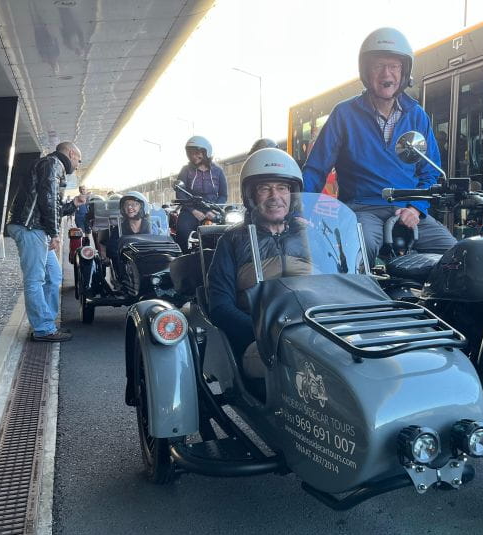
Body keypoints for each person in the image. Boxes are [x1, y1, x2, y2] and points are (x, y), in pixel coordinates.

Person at [302, 27, 456, 263]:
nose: (387, 74)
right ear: (366, 71)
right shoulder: (344, 114)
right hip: (362, 209)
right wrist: (302, 209)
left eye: (394, 66)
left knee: (458, 256)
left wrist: (415, 208)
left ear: (404, 72)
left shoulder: (417, 115)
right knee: (359, 252)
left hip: (407, 207)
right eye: (379, 66)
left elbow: (430, 173)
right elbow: (316, 168)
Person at [207, 148, 311, 378]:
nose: (275, 196)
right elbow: (221, 308)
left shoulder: (311, 236)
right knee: (311, 368)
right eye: (265, 188)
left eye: (282, 188)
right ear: (251, 196)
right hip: (263, 344)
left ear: (292, 194)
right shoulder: (232, 241)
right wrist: (267, 334)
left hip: (316, 333)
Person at [6, 141, 82, 342]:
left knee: (54, 275)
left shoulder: (50, 165)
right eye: (79, 160)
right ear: (71, 153)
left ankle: (46, 321)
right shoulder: (52, 164)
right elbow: (48, 200)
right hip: (31, 228)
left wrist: (74, 204)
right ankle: (43, 329)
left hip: (35, 227)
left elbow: (51, 205)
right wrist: (55, 233)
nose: (78, 165)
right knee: (35, 280)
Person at [175, 135, 228, 251]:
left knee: (227, 233)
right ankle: (183, 260)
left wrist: (214, 210)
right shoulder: (185, 170)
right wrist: (193, 211)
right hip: (190, 210)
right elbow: (180, 192)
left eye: (197, 153)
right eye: (191, 153)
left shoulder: (218, 171)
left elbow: (223, 195)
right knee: (182, 231)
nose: (194, 156)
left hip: (212, 210)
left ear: (206, 152)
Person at [102, 191, 152, 268]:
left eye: (134, 204)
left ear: (141, 207)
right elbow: (111, 250)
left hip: (148, 264)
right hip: (126, 267)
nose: (129, 207)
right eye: (126, 205)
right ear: (123, 208)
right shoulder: (118, 229)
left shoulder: (152, 226)